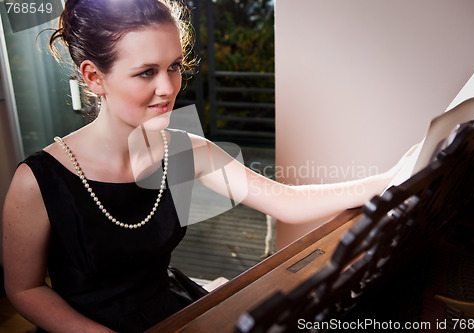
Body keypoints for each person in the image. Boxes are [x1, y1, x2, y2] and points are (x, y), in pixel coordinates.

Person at [2, 0, 415, 332]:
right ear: (93, 77)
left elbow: (287, 201)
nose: (168, 89)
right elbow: (24, 289)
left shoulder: (183, 150)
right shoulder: (36, 181)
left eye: (173, 67)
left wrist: (395, 176)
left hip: (174, 311)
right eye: (146, 72)